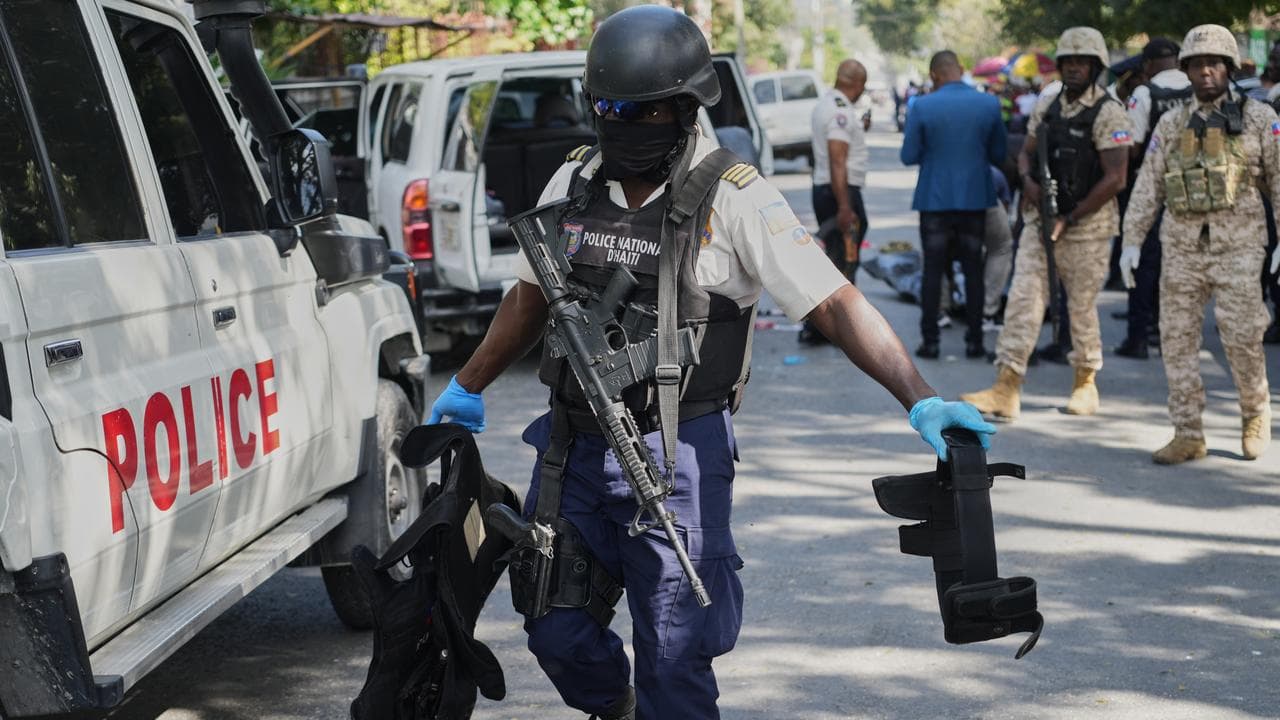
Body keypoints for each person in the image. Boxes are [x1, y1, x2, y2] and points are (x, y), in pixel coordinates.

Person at [424, 7, 996, 719]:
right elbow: (528, 298)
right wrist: (466, 384)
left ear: (686, 106)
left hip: (678, 454)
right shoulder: (572, 183)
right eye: (609, 108)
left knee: (674, 651)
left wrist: (920, 398)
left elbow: (834, 303)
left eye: (644, 111)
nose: (623, 123)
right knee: (554, 627)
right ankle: (620, 704)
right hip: (572, 448)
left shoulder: (734, 196)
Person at [1121, 24, 1280, 464]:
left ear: (1228, 67)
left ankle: (1254, 414)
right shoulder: (1172, 122)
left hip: (1241, 246)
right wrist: (1131, 239)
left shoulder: (1259, 118)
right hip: (1182, 248)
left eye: (1214, 63)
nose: (1206, 71)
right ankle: (1188, 431)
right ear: (1185, 69)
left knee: (1244, 337)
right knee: (1176, 341)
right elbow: (1149, 183)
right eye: (1197, 64)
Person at [962, 26, 1132, 420]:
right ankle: (1006, 387)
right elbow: (1026, 152)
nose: (1073, 68)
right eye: (1067, 61)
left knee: (1081, 308)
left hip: (1086, 229)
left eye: (1081, 62)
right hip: (1042, 222)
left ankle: (1085, 382)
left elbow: (1115, 178)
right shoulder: (1049, 104)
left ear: (1095, 66)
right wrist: (1029, 181)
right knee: (1023, 300)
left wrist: (1070, 218)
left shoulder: (1110, 111)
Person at [900, 50, 1007, 359]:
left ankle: (930, 341)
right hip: (975, 199)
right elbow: (998, 154)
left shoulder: (922, 105)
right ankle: (975, 341)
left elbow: (908, 156)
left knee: (933, 270)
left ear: (934, 75)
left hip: (934, 200)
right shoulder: (988, 103)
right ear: (961, 69)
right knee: (973, 268)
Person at [1114, 38, 1193, 360]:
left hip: (1151, 192)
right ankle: (1169, 333)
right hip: (1194, 193)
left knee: (1142, 266)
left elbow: (1132, 149)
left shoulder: (1145, 94)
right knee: (1182, 267)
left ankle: (1139, 337)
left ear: (1146, 65)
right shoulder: (1196, 89)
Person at [801, 58, 870, 344]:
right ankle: (829, 328)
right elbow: (837, 158)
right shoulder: (840, 112)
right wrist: (845, 205)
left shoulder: (827, 104)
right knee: (841, 263)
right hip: (838, 191)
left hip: (829, 189)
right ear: (856, 84)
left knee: (835, 259)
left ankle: (829, 327)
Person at [983, 164, 1015, 330]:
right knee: (1001, 247)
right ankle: (988, 310)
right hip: (985, 189)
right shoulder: (995, 174)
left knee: (936, 254)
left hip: (940, 196)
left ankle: (939, 309)